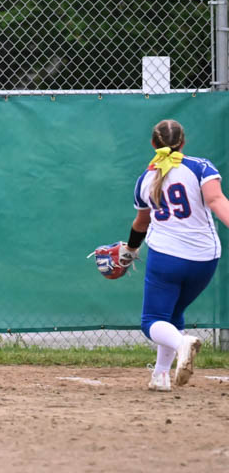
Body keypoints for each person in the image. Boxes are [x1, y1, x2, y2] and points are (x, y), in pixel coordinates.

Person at [95, 119, 229, 392]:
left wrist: (131, 249)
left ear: (153, 144)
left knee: (151, 321)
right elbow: (216, 201)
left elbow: (141, 223)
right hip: (205, 259)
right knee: (173, 314)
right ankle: (160, 376)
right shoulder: (201, 167)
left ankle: (181, 343)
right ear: (183, 142)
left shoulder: (146, 178)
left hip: (167, 257)